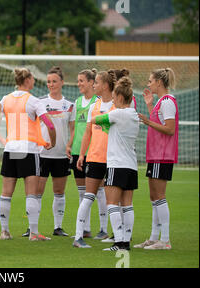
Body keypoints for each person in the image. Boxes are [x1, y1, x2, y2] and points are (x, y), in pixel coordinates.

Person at [0, 68, 56, 242]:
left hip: (10, 149)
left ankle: (4, 231)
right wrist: (52, 142)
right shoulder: (34, 101)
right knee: (31, 193)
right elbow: (50, 125)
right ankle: (34, 233)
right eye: (33, 78)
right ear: (28, 80)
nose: (34, 82)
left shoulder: (5, 99)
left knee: (6, 193)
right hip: (28, 150)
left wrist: (4, 141)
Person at [91, 76, 139, 251]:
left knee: (111, 204)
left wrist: (97, 112)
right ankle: (125, 241)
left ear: (119, 97)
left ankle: (119, 242)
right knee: (127, 205)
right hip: (131, 165)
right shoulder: (134, 114)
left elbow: (95, 120)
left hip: (116, 164)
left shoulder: (117, 113)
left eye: (113, 96)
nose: (112, 99)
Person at [135, 68, 178, 250]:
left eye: (150, 80)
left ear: (159, 82)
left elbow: (170, 129)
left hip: (163, 155)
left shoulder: (168, 101)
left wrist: (147, 120)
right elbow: (159, 123)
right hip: (155, 155)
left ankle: (165, 240)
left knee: (160, 196)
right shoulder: (160, 101)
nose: (148, 83)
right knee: (153, 196)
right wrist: (150, 106)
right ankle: (154, 237)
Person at [73, 70, 116, 248]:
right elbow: (87, 134)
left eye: (97, 82)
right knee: (88, 196)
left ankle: (116, 235)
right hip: (95, 158)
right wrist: (82, 154)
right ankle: (78, 237)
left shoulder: (117, 106)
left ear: (105, 86)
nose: (95, 85)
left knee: (114, 199)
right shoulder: (94, 106)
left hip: (114, 159)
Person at [66, 68, 109, 241]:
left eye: (82, 80)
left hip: (95, 153)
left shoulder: (99, 102)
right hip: (78, 151)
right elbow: (76, 128)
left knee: (99, 192)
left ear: (92, 82)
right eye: (78, 80)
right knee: (82, 193)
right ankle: (85, 229)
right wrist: (70, 145)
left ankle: (104, 229)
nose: (79, 84)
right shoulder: (77, 102)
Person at [33, 66, 74, 237]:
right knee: (37, 192)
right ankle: (32, 227)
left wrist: (68, 147)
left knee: (59, 192)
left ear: (62, 83)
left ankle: (58, 227)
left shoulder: (69, 105)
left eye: (54, 81)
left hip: (60, 155)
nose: (51, 84)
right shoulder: (39, 102)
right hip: (42, 153)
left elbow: (72, 130)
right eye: (49, 81)